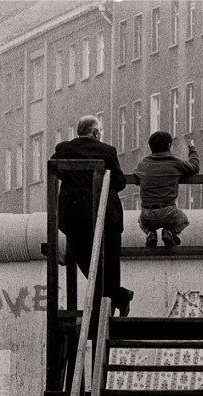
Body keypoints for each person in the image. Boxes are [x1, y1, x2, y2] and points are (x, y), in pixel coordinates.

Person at [51, 115, 134, 317]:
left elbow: (56, 170)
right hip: (106, 216)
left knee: (88, 263)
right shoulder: (107, 151)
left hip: (74, 216)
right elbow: (120, 182)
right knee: (110, 263)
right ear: (96, 132)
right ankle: (115, 300)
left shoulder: (63, 149)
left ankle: (115, 300)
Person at [132, 131, 199, 247]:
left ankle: (150, 233)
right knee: (184, 219)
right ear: (169, 146)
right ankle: (170, 231)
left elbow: (137, 178)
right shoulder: (175, 162)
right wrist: (192, 148)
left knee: (140, 220)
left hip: (147, 214)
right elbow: (195, 167)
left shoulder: (143, 164)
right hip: (169, 213)